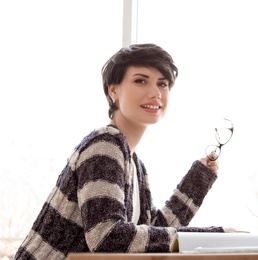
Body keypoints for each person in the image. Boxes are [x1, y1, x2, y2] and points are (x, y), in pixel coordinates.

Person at [14, 43, 225, 259]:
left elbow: (151, 234)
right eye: (140, 81)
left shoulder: (135, 165)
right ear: (113, 90)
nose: (155, 93)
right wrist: (210, 236)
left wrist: (199, 179)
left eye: (162, 84)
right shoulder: (104, 145)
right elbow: (107, 237)